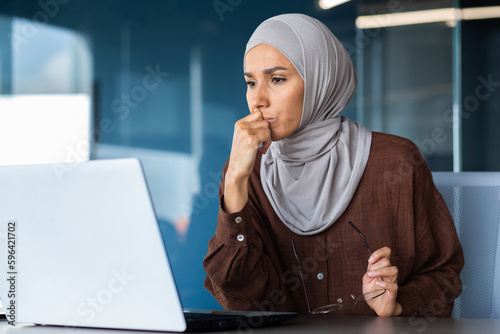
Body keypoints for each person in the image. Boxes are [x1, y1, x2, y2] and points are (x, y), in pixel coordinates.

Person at [203, 13, 464, 317]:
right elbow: (237, 292)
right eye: (250, 82)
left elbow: (443, 274)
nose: (257, 99)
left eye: (276, 79)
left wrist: (397, 305)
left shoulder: (396, 161)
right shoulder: (248, 172)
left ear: (319, 80)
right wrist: (235, 179)